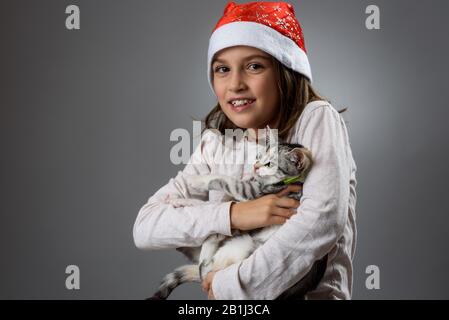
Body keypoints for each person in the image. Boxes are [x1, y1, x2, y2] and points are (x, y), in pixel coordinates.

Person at [133, 1, 357, 300]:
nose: (236, 83)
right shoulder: (216, 145)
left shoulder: (315, 118)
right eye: (222, 69)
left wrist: (231, 285)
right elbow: (146, 226)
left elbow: (321, 222)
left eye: (254, 66)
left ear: (285, 69)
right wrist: (234, 215)